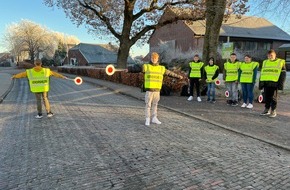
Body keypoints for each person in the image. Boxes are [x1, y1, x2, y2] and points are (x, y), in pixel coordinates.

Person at [126, 52, 183, 126]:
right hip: (149, 90)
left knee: (155, 104)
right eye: (152, 58)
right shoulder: (147, 66)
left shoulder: (161, 68)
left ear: (157, 59)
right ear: (151, 58)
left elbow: (170, 73)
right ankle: (147, 119)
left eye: (155, 58)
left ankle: (154, 118)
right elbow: (137, 68)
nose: (154, 59)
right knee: (148, 105)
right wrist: (129, 69)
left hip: (157, 90)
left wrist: (178, 76)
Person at [259, 49, 286, 118]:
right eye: (268, 56)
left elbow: (283, 75)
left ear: (275, 55)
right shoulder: (265, 62)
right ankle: (267, 109)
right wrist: (261, 83)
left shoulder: (280, 62)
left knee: (273, 98)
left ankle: (273, 110)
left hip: (274, 83)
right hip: (266, 83)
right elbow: (262, 73)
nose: (270, 57)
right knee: (267, 97)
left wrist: (280, 84)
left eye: (271, 55)